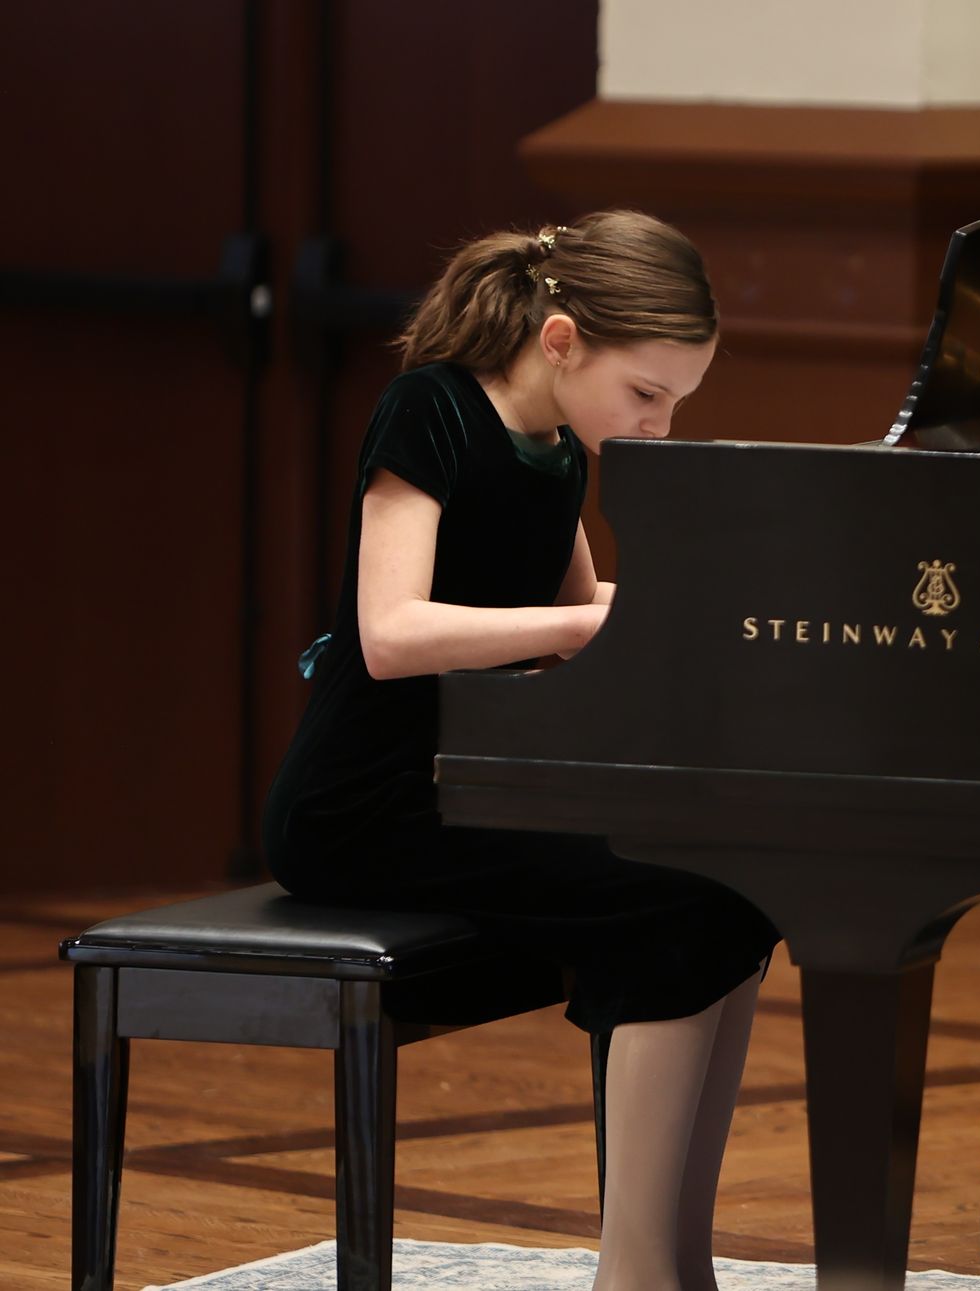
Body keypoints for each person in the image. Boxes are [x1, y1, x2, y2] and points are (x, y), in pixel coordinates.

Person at [260, 209, 780, 1291]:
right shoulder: (433, 411)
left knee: (737, 884)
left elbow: (589, 609)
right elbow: (391, 634)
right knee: (679, 893)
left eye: (677, 401)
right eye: (647, 394)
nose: (661, 425)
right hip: (368, 804)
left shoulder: (556, 450)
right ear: (559, 342)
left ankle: (681, 1259)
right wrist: (584, 626)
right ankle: (631, 1272)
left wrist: (743, 612)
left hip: (477, 779)